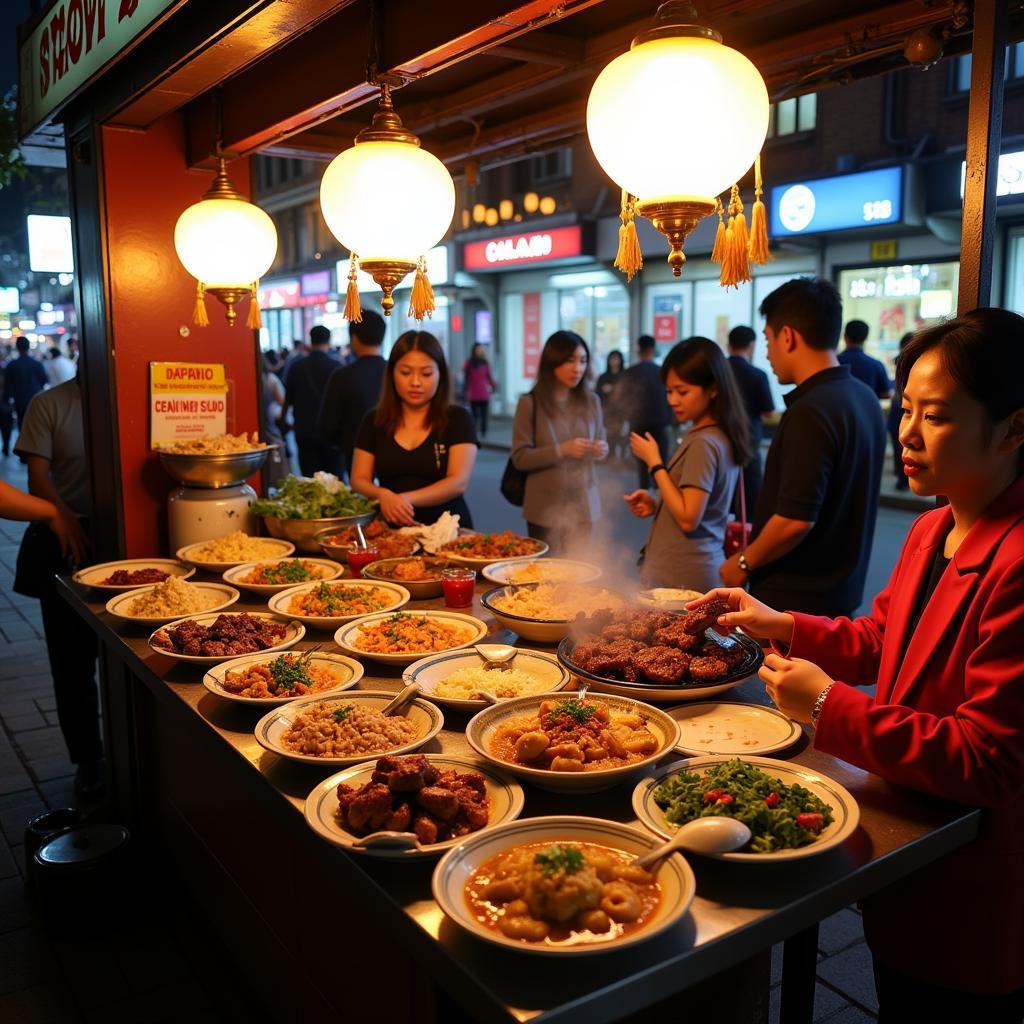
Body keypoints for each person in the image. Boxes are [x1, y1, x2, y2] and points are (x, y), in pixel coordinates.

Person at [696, 308, 1024, 1023]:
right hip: (908, 847)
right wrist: (782, 623)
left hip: (974, 881)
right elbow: (884, 635)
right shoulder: (935, 523)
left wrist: (827, 707)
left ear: (1013, 429)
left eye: (934, 416)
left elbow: (991, 758)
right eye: (905, 408)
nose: (905, 433)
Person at [720, 278, 885, 618]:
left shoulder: (811, 409)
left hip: (795, 600)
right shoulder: (863, 396)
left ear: (788, 336)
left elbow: (795, 519)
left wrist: (742, 561)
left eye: (768, 339)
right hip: (842, 592)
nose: (767, 352)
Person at [12, 373, 104, 800]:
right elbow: (37, 477)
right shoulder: (48, 403)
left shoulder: (128, 396)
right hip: (67, 539)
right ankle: (88, 759)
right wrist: (61, 515)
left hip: (121, 536)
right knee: (71, 661)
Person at [625, 337, 752, 592]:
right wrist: (657, 501)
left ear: (713, 389)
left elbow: (688, 518)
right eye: (669, 391)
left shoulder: (703, 442)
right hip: (693, 568)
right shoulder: (718, 433)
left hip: (683, 577)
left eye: (682, 391)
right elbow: (697, 503)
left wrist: (655, 464)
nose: (673, 400)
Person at [351, 331, 478, 526]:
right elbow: (359, 479)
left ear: (440, 375)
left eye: (426, 373)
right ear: (392, 373)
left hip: (449, 530)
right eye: (405, 372)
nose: (415, 382)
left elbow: (457, 483)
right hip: (391, 530)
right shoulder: (374, 420)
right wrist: (382, 495)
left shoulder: (458, 419)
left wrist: (403, 499)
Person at [510, 330, 608, 554]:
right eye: (569, 361)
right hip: (545, 508)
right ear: (552, 362)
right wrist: (563, 449)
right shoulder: (529, 403)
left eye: (583, 361)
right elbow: (520, 457)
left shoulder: (592, 401)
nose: (577, 368)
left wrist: (601, 449)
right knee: (548, 575)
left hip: (584, 504)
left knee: (582, 569)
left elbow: (602, 441)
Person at [318, 310, 387, 480]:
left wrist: (341, 444)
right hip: (395, 453)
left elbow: (327, 424)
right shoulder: (396, 372)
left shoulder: (342, 376)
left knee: (361, 501)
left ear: (354, 339)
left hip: (354, 453)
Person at [726, 325, 775, 515]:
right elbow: (768, 411)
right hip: (748, 441)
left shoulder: (716, 372)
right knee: (750, 495)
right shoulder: (758, 375)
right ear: (752, 345)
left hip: (720, 437)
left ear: (729, 344)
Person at [280, 325, 341, 476]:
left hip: (304, 431)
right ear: (329, 341)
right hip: (332, 434)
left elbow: (288, 399)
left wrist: (284, 421)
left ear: (310, 340)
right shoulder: (337, 367)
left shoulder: (297, 367)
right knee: (335, 482)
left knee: (310, 481)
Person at [619, 335, 675, 488]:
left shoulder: (631, 372)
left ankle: (644, 490)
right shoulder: (662, 371)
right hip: (659, 423)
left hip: (638, 423)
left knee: (642, 463)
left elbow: (623, 399)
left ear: (639, 349)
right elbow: (669, 396)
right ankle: (661, 493)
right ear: (653, 349)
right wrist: (670, 419)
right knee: (660, 462)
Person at [3, 338, 48, 439]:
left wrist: (7, 400)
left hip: (19, 401)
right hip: (35, 400)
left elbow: (7, 386)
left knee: (21, 425)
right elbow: (44, 380)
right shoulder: (37, 364)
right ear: (29, 347)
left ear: (17, 348)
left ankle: (23, 449)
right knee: (35, 426)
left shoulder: (12, 365)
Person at [887, 332, 915, 491]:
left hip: (898, 408)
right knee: (902, 446)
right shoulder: (910, 361)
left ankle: (902, 478)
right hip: (901, 408)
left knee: (900, 445)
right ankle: (904, 478)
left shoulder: (900, 360)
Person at [838, 319, 892, 398]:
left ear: (845, 336)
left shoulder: (835, 362)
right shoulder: (876, 365)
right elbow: (886, 393)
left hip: (838, 409)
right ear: (866, 338)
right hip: (869, 409)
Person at [595, 350, 627, 459]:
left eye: (616, 358)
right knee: (608, 433)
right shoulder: (603, 377)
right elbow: (597, 393)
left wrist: (613, 389)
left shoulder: (625, 376)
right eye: (612, 358)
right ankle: (609, 455)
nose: (614, 361)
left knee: (621, 434)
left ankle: (622, 457)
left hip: (622, 410)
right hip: (606, 409)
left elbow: (628, 392)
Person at [461, 344, 497, 439]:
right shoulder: (468, 363)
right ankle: (474, 432)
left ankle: (484, 432)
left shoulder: (485, 363)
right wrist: (464, 392)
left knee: (484, 415)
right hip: (473, 394)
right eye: (478, 350)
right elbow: (466, 378)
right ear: (474, 351)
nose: (480, 351)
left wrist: (494, 385)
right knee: (474, 416)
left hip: (484, 393)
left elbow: (489, 377)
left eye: (481, 350)